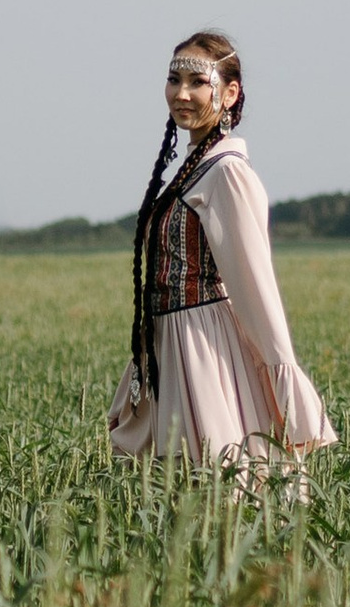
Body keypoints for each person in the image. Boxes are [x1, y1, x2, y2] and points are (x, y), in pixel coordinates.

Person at [108, 29, 336, 473]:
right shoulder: (192, 171)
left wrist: (282, 374)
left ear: (230, 94)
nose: (182, 94)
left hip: (204, 348)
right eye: (174, 81)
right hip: (169, 344)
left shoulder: (228, 173)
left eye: (197, 82)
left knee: (217, 482)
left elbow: (255, 286)